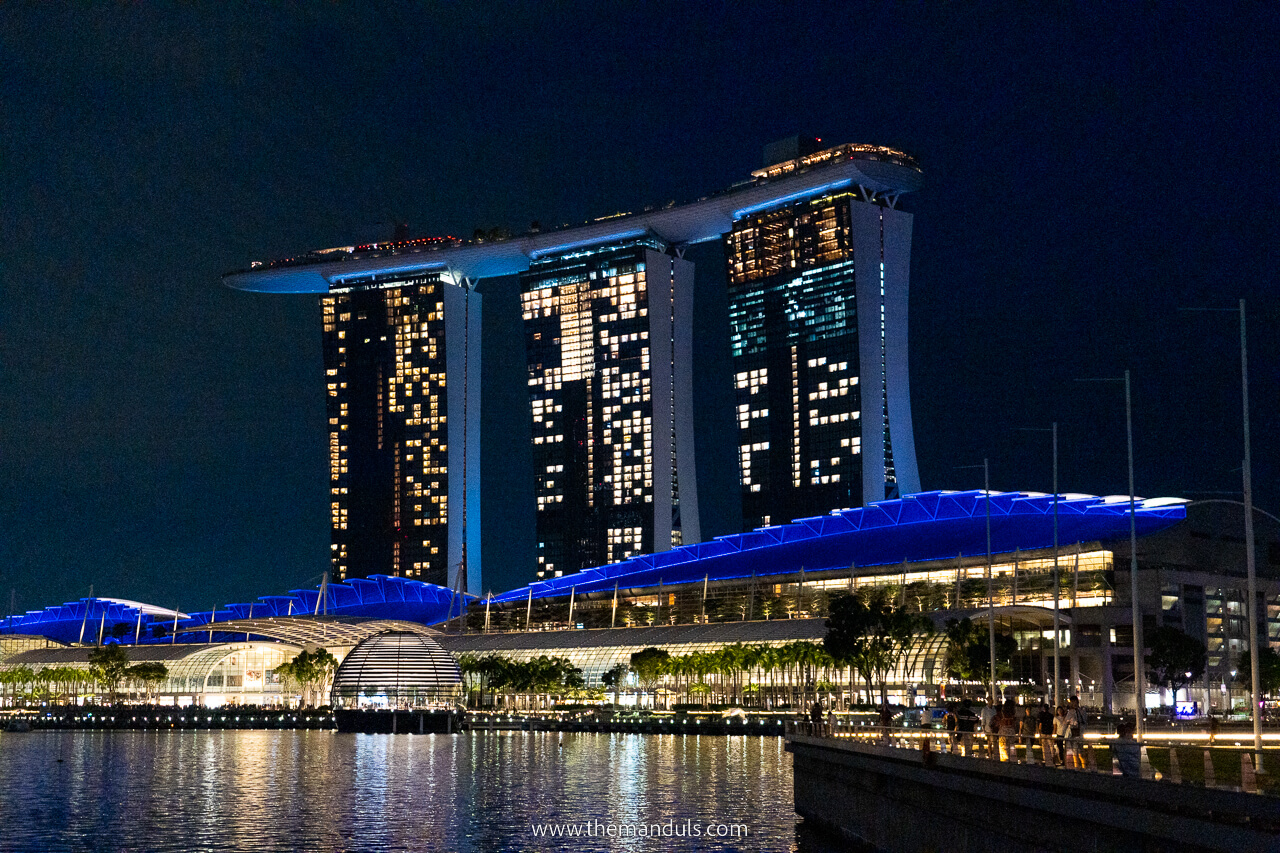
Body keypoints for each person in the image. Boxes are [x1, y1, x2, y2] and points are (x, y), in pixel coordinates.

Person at [1066, 695, 1087, 769]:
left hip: (1079, 733)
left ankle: (1083, 767)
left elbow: (1084, 721)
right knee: (1075, 752)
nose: (1073, 704)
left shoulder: (1081, 711)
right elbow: (1066, 722)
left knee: (1080, 752)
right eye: (1072, 702)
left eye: (1074, 702)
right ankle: (1077, 767)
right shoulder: (1071, 712)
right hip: (1074, 734)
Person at [1037, 701, 1056, 765]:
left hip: (1043, 732)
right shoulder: (1051, 715)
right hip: (1049, 732)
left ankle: (1045, 758)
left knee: (1044, 746)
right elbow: (1052, 724)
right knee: (1051, 745)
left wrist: (1039, 732)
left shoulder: (1041, 715)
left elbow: (1040, 724)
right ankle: (1053, 757)